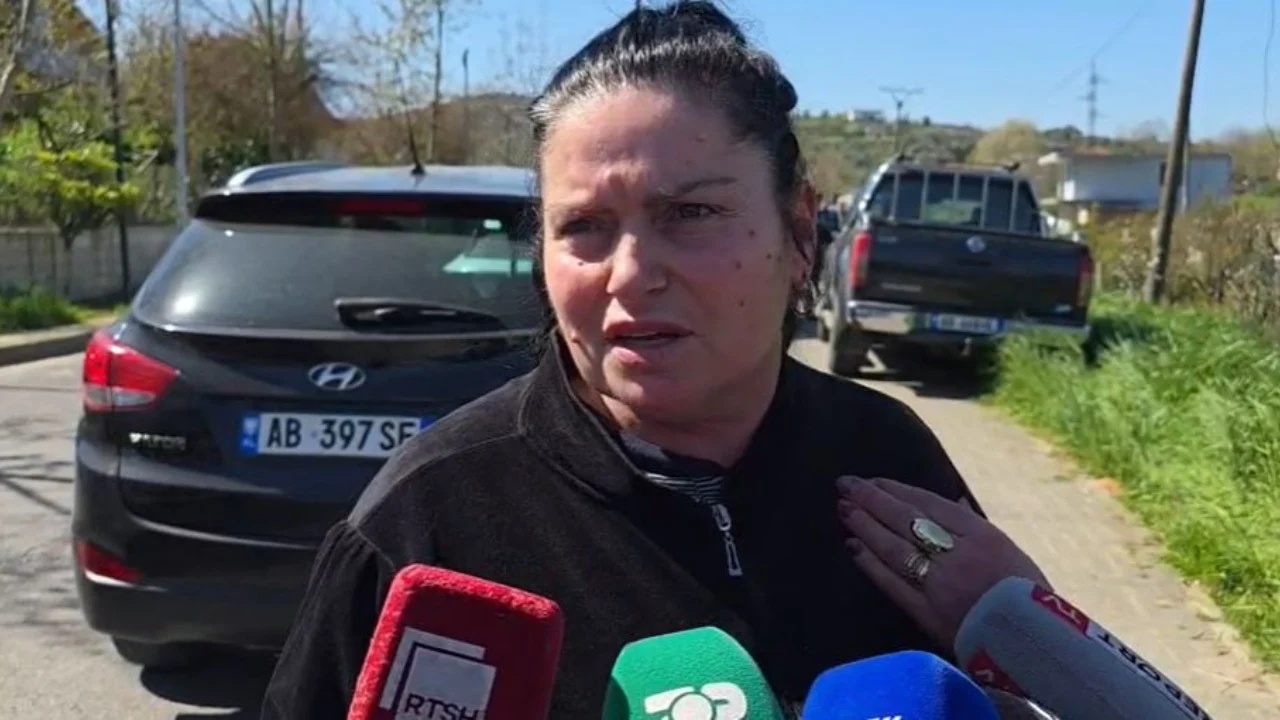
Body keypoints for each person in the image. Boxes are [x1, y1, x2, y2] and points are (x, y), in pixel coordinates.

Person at [260, 2, 1048, 717]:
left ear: (800, 231)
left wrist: (1032, 636)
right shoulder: (426, 518)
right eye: (585, 226)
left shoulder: (891, 460)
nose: (631, 274)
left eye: (691, 212)